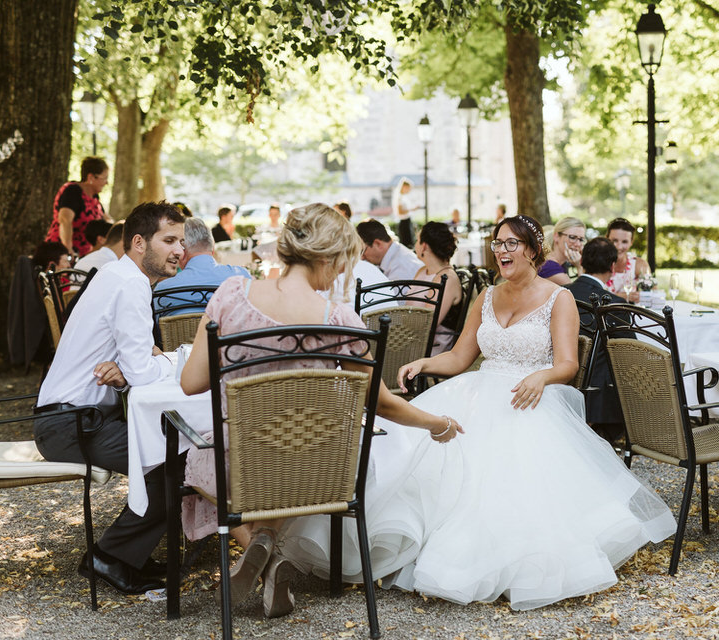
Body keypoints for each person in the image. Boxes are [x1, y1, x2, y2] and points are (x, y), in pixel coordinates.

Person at [280, 215, 676, 611]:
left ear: (533, 250)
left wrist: (542, 377)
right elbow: (460, 356)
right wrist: (423, 364)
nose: (501, 251)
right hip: (477, 390)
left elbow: (568, 363)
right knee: (411, 451)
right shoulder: (486, 295)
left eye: (511, 244)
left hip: (528, 398)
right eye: (497, 243)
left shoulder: (560, 297)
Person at [178, 203, 463, 618]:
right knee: (285, 462)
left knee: (198, 455)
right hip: (316, 469)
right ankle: (271, 554)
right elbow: (380, 402)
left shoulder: (232, 295)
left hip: (240, 464)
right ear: (328, 258)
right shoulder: (341, 319)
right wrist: (435, 423)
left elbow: (191, 383)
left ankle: (262, 550)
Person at [34, 201, 186, 595]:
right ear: (138, 242)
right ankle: (109, 557)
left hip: (71, 416)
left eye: (181, 241)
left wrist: (129, 371)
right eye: (169, 240)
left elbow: (133, 368)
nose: (179, 250)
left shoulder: (114, 275)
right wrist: (173, 361)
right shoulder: (130, 283)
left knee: (172, 452)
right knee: (176, 462)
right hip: (71, 423)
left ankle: (128, 554)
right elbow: (145, 371)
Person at [564, 237, 626, 443]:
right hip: (598, 398)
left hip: (562, 382)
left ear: (582, 262)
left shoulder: (561, 294)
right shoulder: (614, 304)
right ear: (612, 266)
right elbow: (628, 353)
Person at [153, 218, 252, 315]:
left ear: (182, 250)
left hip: (182, 331)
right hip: (228, 331)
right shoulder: (241, 277)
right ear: (212, 249)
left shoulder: (163, 290)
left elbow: (157, 328)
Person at [411, 222, 464, 354]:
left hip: (432, 347)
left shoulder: (446, 278)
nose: (415, 245)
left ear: (424, 246)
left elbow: (428, 324)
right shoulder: (422, 271)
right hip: (411, 338)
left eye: (417, 241)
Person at [45, 156, 112, 257]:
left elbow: (107, 220)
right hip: (61, 254)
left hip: (83, 255)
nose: (106, 183)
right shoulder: (73, 191)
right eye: (104, 178)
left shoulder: (94, 199)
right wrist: (68, 249)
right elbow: (65, 220)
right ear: (91, 178)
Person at [355, 219, 423, 281]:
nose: (362, 257)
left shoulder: (401, 267)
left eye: (362, 251)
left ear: (378, 244)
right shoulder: (394, 255)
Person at [605, 218, 651, 297]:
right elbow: (588, 293)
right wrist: (625, 296)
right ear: (607, 239)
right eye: (614, 241)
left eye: (624, 242)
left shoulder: (639, 265)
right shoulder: (596, 262)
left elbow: (651, 295)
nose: (619, 247)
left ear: (631, 242)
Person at [538, 216, 586, 285]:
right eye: (572, 237)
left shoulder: (559, 264)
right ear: (556, 236)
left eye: (581, 239)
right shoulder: (551, 267)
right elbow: (580, 293)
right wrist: (579, 267)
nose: (578, 244)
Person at [393, 177, 420, 247]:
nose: (409, 190)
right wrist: (412, 209)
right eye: (408, 188)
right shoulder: (400, 197)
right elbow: (400, 211)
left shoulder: (403, 197)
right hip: (404, 223)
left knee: (410, 243)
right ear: (404, 187)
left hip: (407, 221)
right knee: (407, 244)